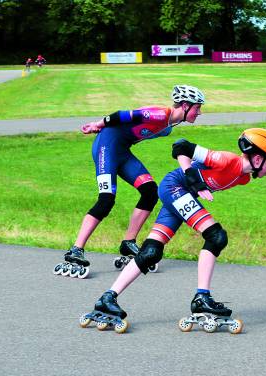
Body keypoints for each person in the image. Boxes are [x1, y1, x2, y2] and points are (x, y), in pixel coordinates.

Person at [87, 128, 266, 324]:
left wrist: (195, 186)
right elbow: (181, 146)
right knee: (216, 236)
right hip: (175, 187)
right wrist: (191, 177)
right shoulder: (226, 160)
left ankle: (107, 298)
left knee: (151, 252)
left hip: (182, 195)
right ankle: (202, 297)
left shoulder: (243, 178)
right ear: (258, 160)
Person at [55, 84, 205, 278]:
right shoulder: (160, 114)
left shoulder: (168, 127)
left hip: (122, 151)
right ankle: (76, 249)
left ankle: (128, 243)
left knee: (150, 191)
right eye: (197, 107)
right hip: (106, 146)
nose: (199, 112)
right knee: (106, 200)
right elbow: (121, 115)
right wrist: (97, 124)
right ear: (185, 106)